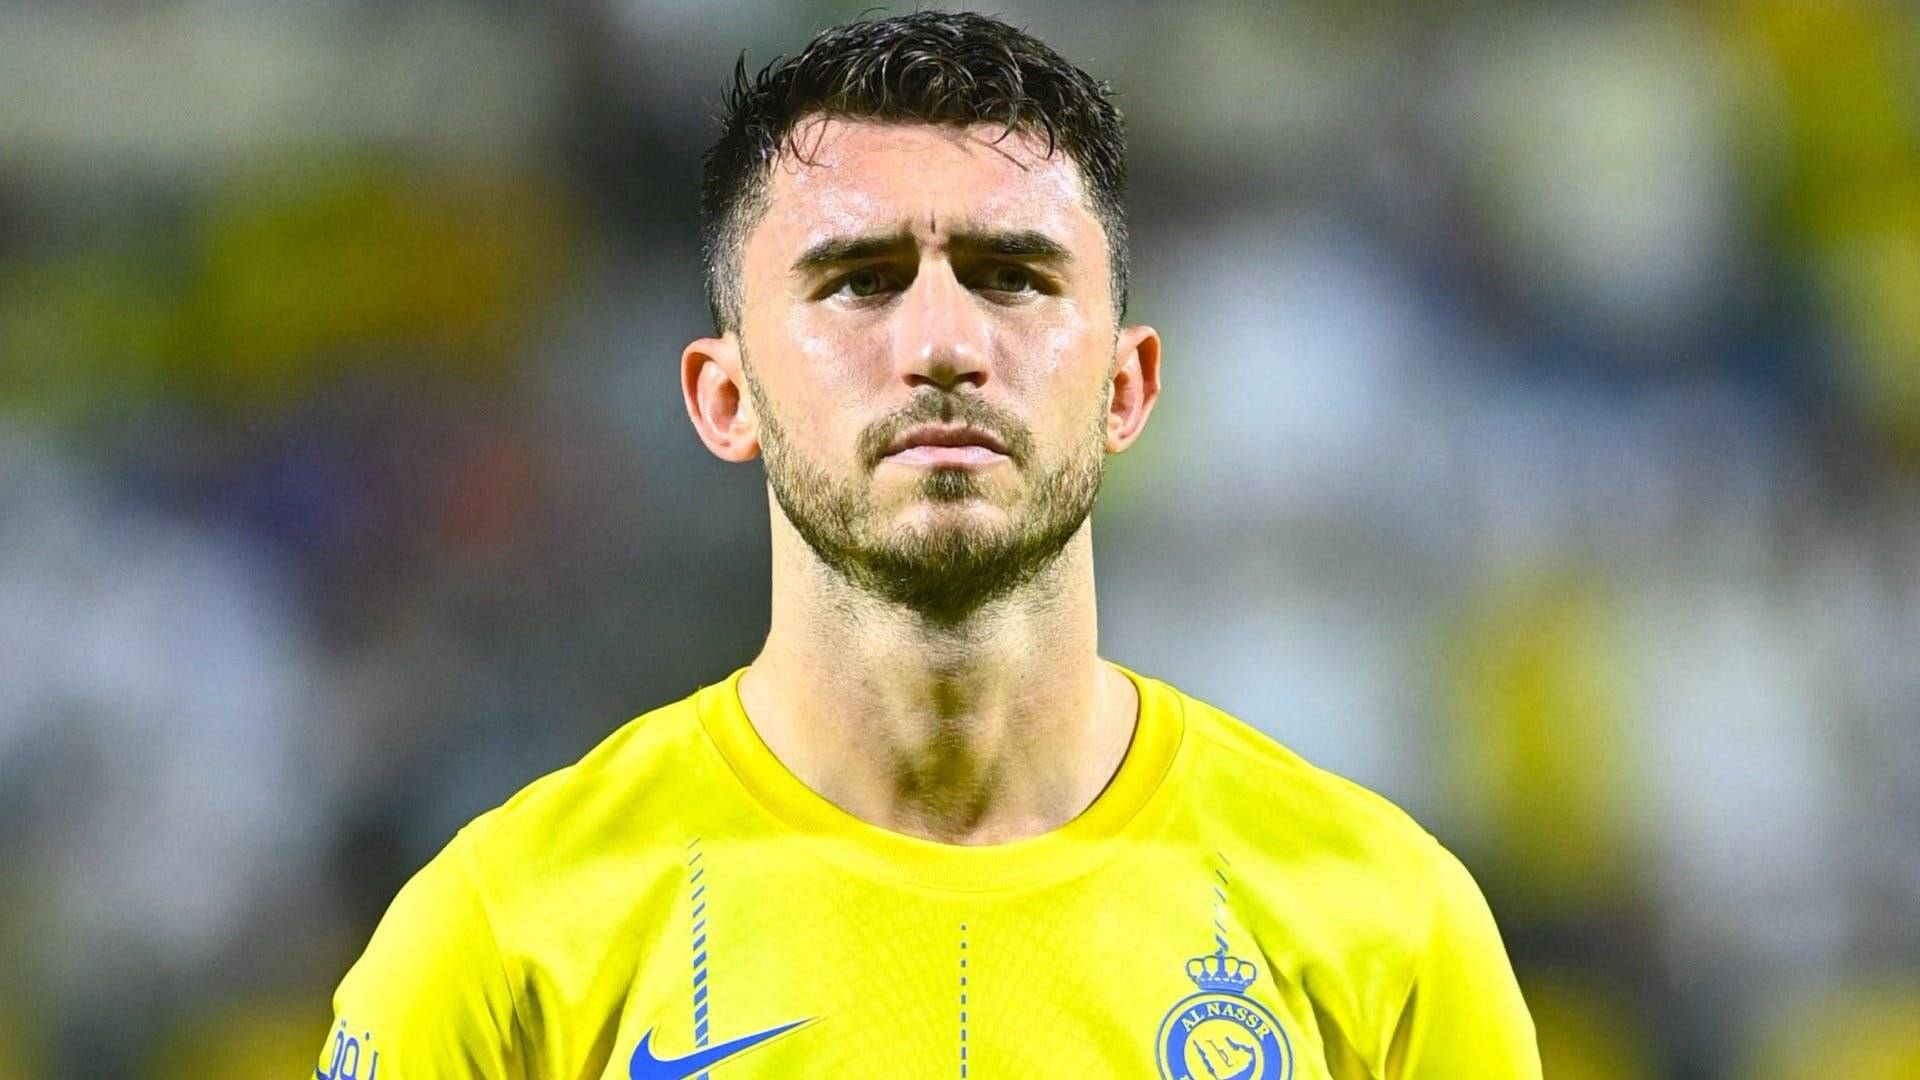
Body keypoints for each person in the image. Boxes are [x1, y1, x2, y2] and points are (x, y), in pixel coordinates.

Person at [315, 11, 1540, 1078]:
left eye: (1013, 277)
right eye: (859, 280)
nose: (943, 345)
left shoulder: (1388, 925)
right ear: (724, 398)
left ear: (1128, 388)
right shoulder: (504, 933)